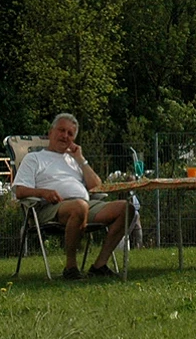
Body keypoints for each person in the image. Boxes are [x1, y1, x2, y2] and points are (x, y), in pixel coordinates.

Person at [12, 113, 132, 280]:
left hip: (85, 204)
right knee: (79, 207)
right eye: (61, 130)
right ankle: (71, 267)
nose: (65, 136)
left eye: (70, 134)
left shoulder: (74, 160)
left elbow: (97, 187)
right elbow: (20, 191)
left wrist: (80, 159)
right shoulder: (34, 158)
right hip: (49, 208)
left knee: (127, 208)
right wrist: (43, 192)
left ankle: (99, 265)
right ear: (51, 132)